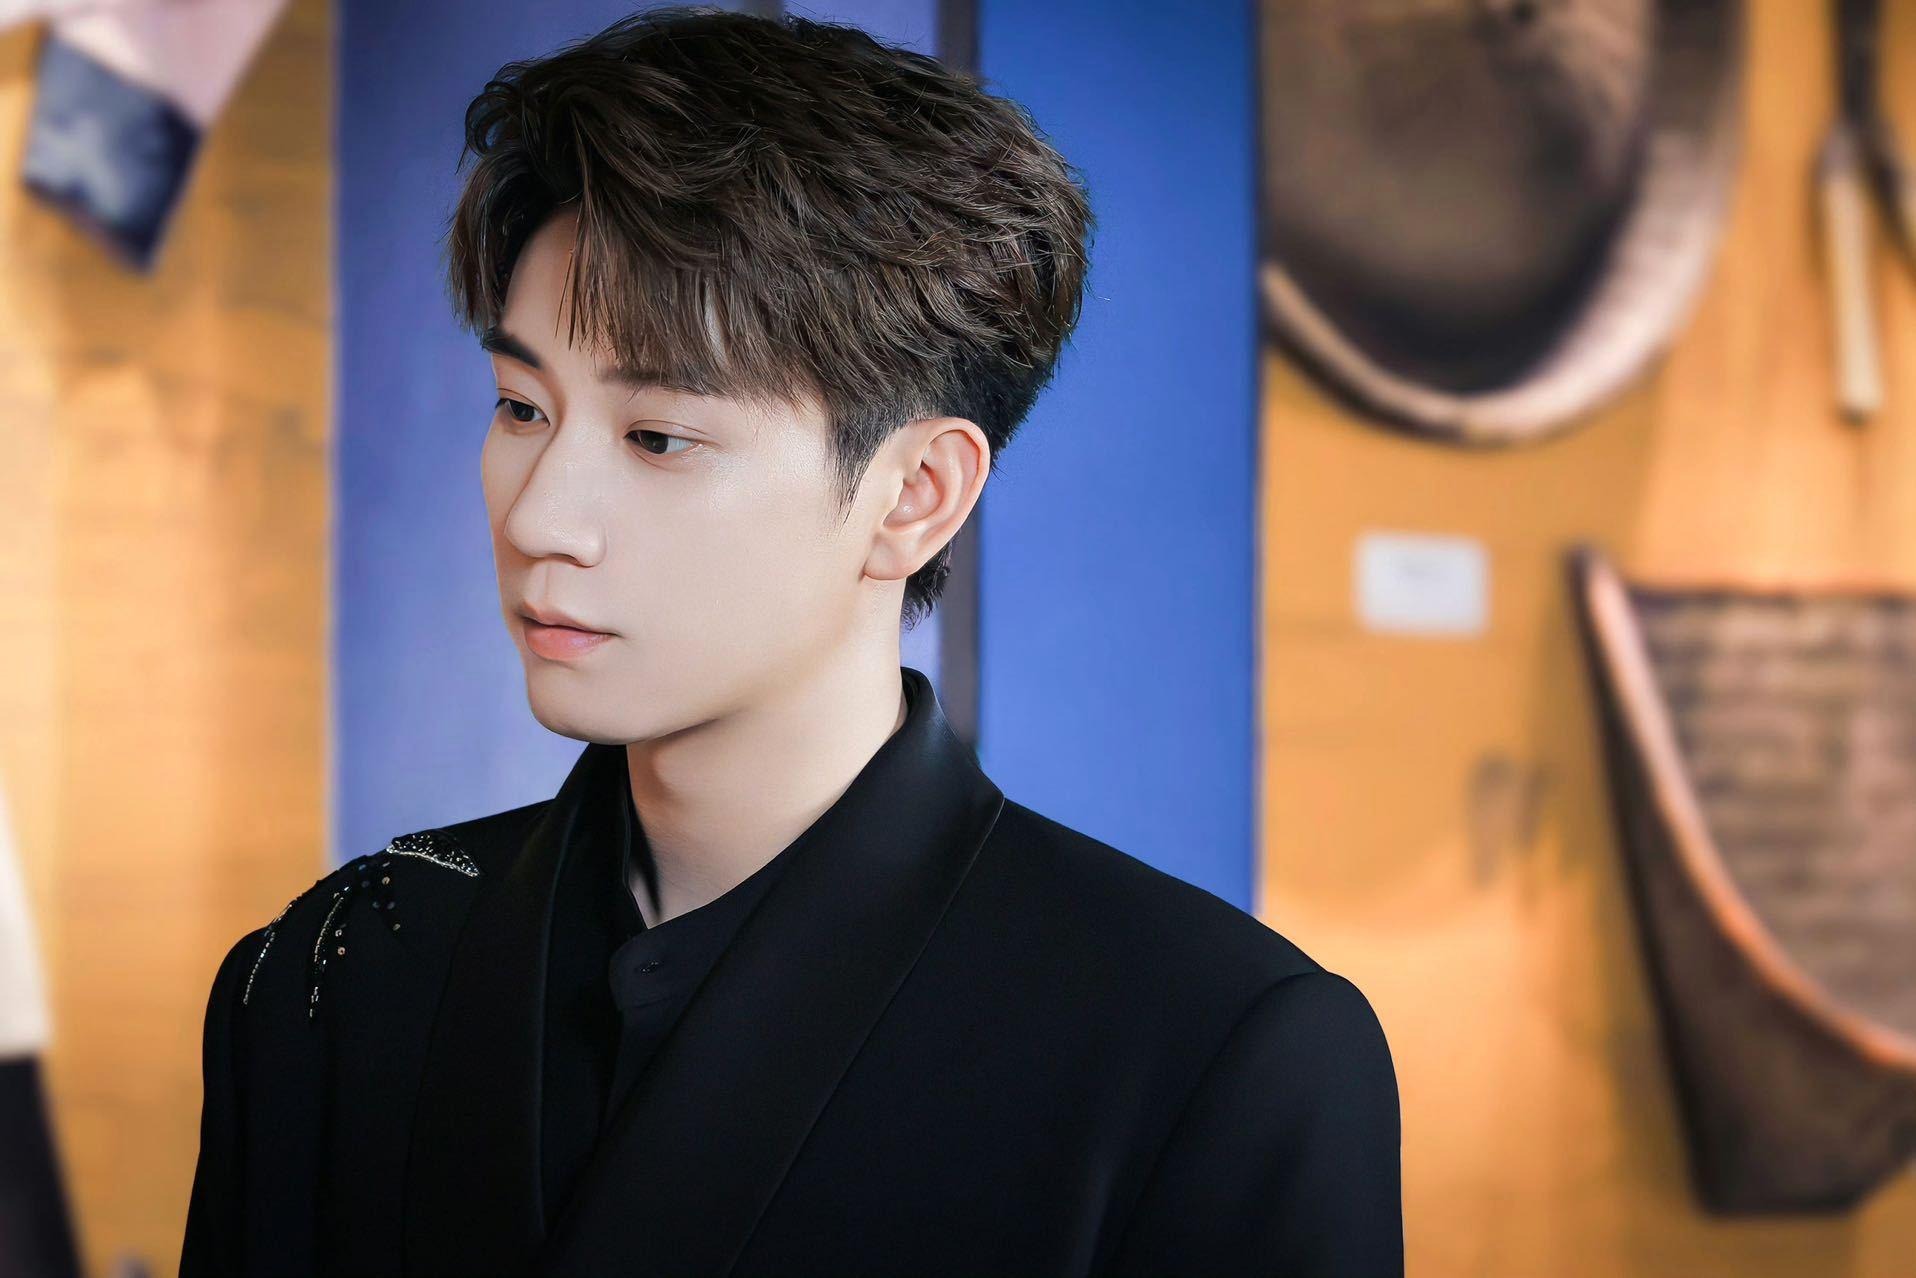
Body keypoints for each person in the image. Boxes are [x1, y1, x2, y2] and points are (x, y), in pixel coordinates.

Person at [179, 7, 1402, 1275]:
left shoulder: (1211, 1053)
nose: (538, 516)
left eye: (657, 437)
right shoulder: (339, 968)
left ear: (913, 494)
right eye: (521, 406)